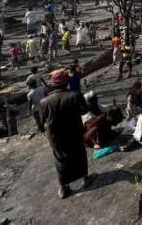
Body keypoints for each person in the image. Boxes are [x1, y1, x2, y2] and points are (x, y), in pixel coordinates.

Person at [39, 69, 95, 199]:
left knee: (60, 159)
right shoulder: (75, 95)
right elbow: (84, 111)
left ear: (53, 84)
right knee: (79, 155)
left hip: (55, 137)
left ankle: (64, 188)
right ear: (66, 83)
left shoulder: (44, 102)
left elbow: (42, 122)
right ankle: (85, 179)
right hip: (74, 132)